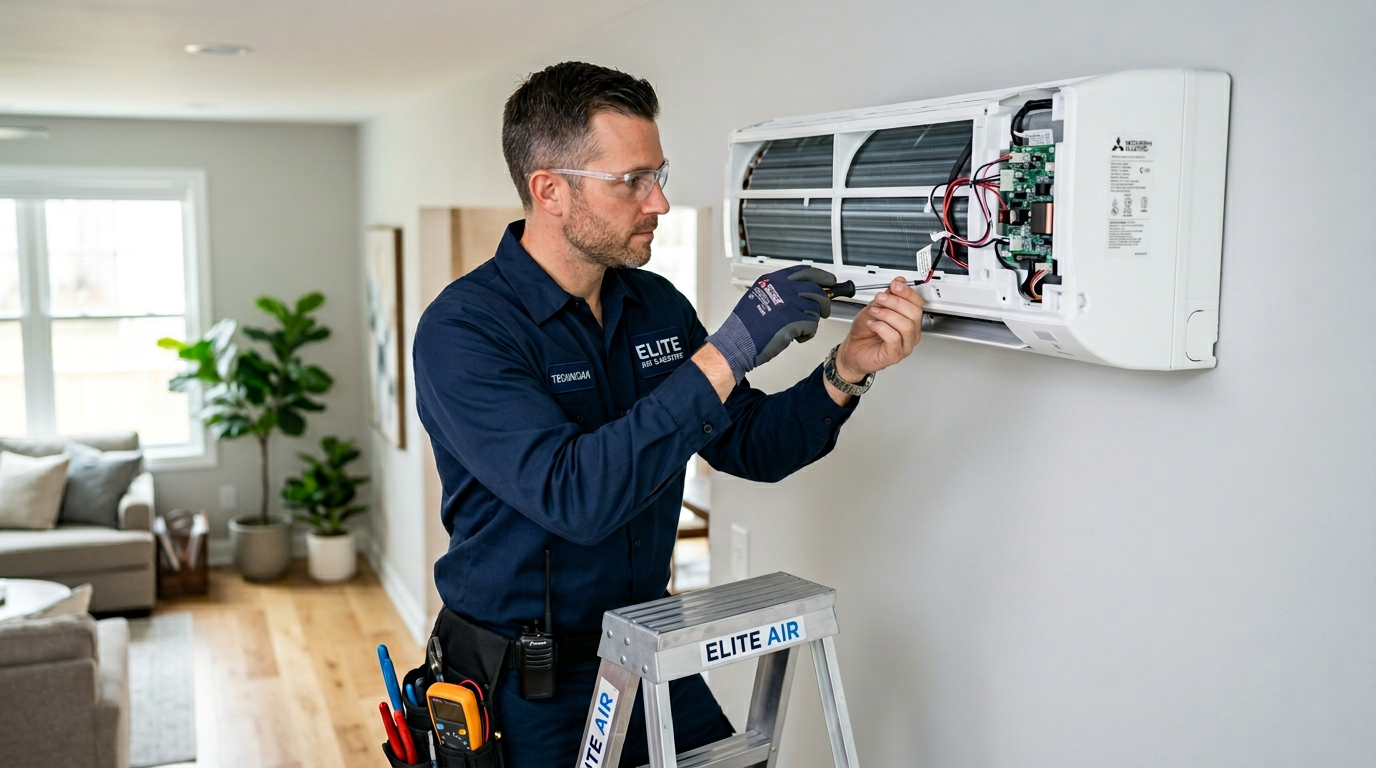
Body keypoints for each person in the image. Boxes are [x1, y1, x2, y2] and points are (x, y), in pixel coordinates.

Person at [412, 61, 924, 766]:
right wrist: (730, 350)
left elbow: (751, 445)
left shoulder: (655, 305)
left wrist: (845, 372)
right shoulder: (465, 331)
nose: (658, 202)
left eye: (659, 174)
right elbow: (576, 496)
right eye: (631, 182)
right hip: (525, 689)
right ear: (550, 190)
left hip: (647, 649)